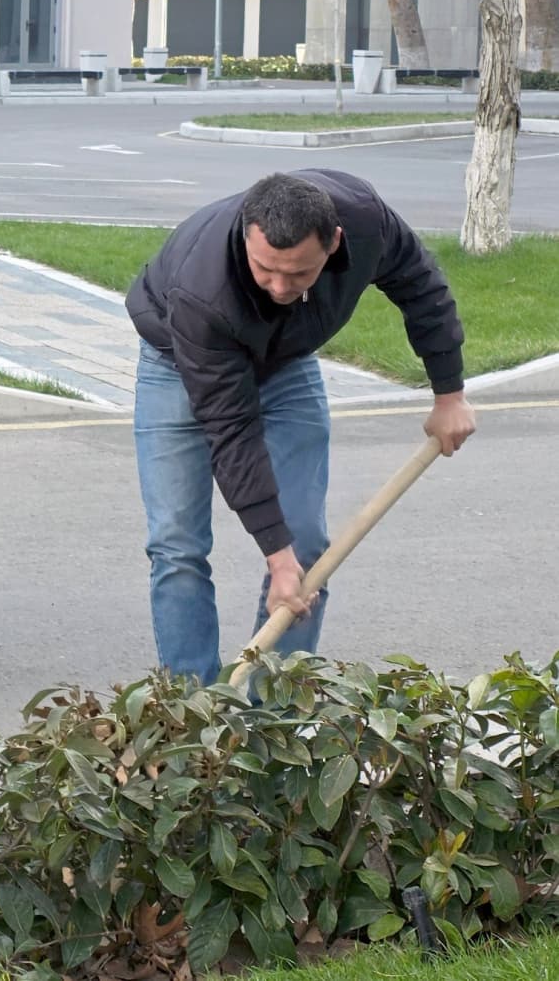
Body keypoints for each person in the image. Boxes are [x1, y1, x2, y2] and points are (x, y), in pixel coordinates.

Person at [125, 170, 476, 685]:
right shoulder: (203, 292)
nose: (280, 287)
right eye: (266, 269)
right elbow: (232, 431)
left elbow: (421, 286)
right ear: (248, 232)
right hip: (178, 364)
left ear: (333, 244)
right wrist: (274, 553)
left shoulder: (363, 221)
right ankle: (192, 717)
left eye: (299, 274)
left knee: (309, 550)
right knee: (178, 544)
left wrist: (450, 394)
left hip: (285, 362)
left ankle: (273, 723)